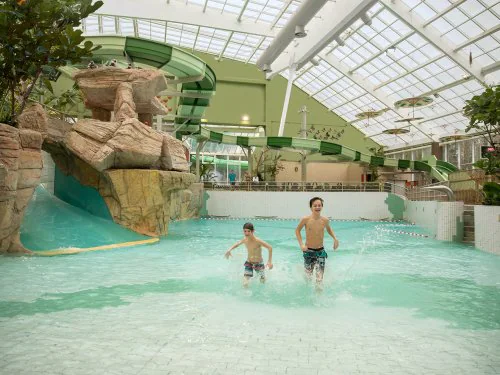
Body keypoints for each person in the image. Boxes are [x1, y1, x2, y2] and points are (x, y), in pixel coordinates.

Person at [295, 197, 339, 287]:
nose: (317, 207)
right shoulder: (305, 219)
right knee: (308, 277)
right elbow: (297, 231)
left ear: (322, 207)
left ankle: (319, 297)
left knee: (319, 279)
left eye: (319, 205)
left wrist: (335, 239)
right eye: (315, 205)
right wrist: (301, 245)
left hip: (320, 252)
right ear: (311, 207)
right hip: (308, 251)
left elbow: (329, 230)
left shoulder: (325, 220)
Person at [225, 222, 273, 287]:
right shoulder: (245, 240)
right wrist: (229, 250)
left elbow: (270, 248)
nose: (246, 233)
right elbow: (237, 244)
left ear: (253, 231)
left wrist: (269, 261)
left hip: (258, 263)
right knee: (245, 283)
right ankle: (245, 295)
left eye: (248, 231)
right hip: (249, 263)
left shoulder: (257, 241)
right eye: (245, 231)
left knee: (262, 280)